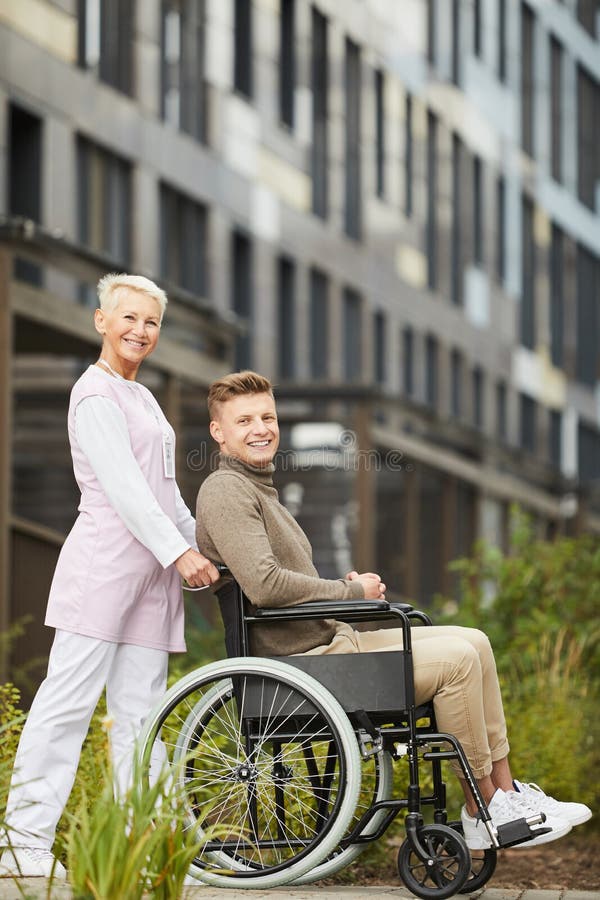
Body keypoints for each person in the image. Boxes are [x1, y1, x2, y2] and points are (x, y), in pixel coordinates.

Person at [195, 370, 592, 852]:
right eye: (245, 420)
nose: (261, 428)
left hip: (328, 643)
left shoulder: (258, 489)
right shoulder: (226, 491)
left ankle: (506, 794)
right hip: (298, 664)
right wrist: (350, 589)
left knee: (475, 641)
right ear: (219, 432)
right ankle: (481, 807)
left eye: (268, 417)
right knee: (456, 663)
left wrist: (351, 595)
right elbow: (265, 586)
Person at [0, 274, 220, 878]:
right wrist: (181, 554)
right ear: (101, 321)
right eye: (128, 318)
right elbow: (124, 490)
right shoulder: (94, 394)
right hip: (103, 568)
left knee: (140, 715)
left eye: (150, 322)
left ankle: (141, 845)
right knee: (66, 706)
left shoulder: (144, 398)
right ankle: (21, 847)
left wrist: (206, 546)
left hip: (153, 577)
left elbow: (166, 492)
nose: (139, 331)